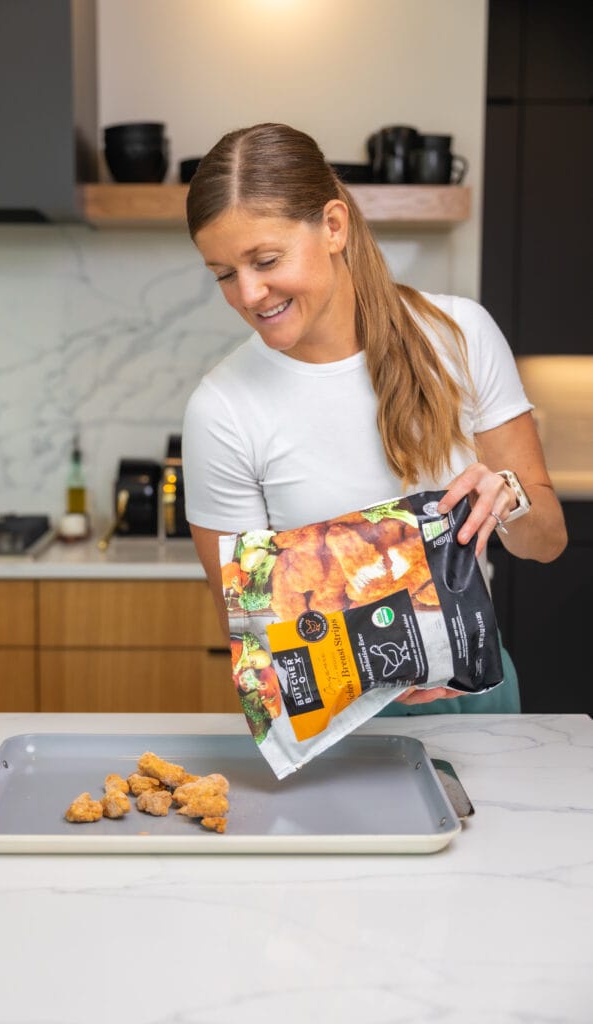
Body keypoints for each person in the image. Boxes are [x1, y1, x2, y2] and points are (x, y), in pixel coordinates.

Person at [181, 122, 567, 715]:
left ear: (333, 227)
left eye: (265, 260)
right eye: (224, 275)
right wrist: (374, 656)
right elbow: (251, 636)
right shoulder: (222, 408)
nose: (249, 294)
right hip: (336, 716)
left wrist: (508, 498)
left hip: (474, 703)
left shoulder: (459, 336)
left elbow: (547, 543)